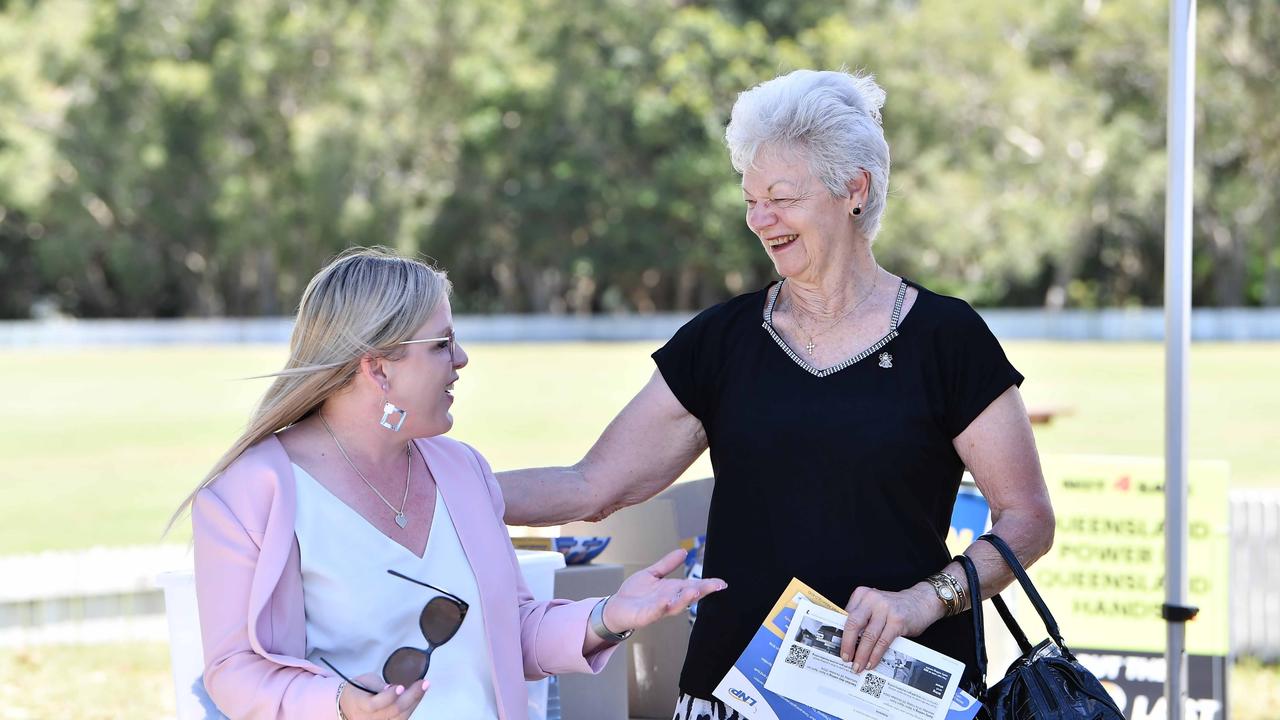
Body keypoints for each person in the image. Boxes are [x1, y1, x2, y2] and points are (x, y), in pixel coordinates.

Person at [496, 69, 1055, 719]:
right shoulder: (720, 343)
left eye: (782, 197)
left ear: (854, 189)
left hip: (899, 697)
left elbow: (1028, 520)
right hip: (736, 696)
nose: (761, 220)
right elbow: (590, 486)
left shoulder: (948, 338)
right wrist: (441, 483)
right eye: (750, 198)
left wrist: (924, 599)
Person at [174, 247, 726, 720]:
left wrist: (608, 617)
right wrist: (339, 704)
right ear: (378, 368)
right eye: (441, 344)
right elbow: (233, 670)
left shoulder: (461, 470)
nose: (461, 359)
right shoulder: (250, 492)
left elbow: (512, 633)